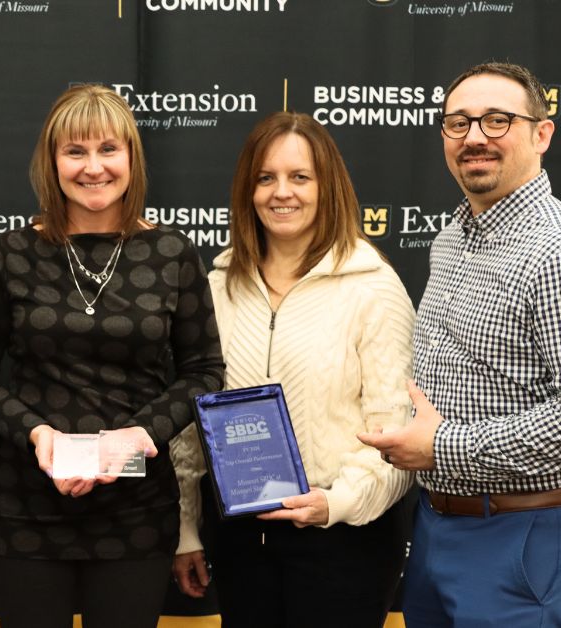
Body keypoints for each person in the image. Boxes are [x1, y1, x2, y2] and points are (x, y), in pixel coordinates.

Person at [358, 62, 561, 627]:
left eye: (497, 120)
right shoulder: (451, 238)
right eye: (458, 123)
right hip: (439, 525)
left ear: (541, 133)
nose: (475, 136)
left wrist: (443, 448)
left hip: (522, 534)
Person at [0, 84, 224, 628]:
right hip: (26, 506)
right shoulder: (11, 254)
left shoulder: (172, 254)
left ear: (132, 159)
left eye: (108, 150)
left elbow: (203, 371)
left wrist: (139, 435)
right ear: (51, 162)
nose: (93, 167)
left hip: (136, 512)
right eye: (75, 151)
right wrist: (37, 434)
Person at [170, 111, 415, 627]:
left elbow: (397, 436)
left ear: (328, 187)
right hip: (239, 542)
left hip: (343, 540)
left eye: (300, 177)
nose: (283, 192)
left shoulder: (373, 286)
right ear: (248, 190)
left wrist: (335, 503)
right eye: (266, 178)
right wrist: (186, 529)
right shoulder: (217, 286)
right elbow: (189, 428)